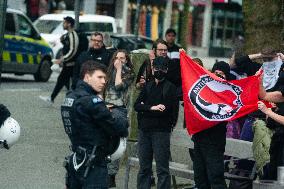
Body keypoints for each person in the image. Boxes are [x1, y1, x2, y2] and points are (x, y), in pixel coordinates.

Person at [61, 60, 128, 189]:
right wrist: (121, 118)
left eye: (105, 78)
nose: (104, 81)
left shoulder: (70, 97)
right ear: (87, 76)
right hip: (93, 165)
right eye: (100, 77)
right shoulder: (92, 101)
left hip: (76, 160)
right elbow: (118, 128)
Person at [134, 56, 178, 189]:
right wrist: (152, 107)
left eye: (162, 68)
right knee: (144, 168)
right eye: (157, 68)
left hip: (161, 132)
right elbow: (137, 106)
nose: (159, 71)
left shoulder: (170, 88)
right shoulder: (148, 85)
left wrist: (145, 107)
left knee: (162, 169)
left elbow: (166, 110)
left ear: (166, 70)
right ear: (152, 69)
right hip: (144, 131)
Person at [192, 61, 232, 189]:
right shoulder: (203, 89)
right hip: (199, 138)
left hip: (215, 142)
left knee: (215, 178)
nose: (218, 76)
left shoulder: (228, 93)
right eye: (216, 73)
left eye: (222, 74)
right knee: (200, 177)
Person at [104, 50, 135, 187]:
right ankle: (102, 172)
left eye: (122, 58)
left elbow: (118, 86)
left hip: (119, 110)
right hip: (105, 108)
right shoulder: (108, 71)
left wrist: (119, 69)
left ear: (127, 60)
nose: (119, 60)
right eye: (117, 58)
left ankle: (111, 174)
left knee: (116, 144)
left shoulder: (129, 73)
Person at [40, 16, 79, 103]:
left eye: (64, 23)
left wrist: (62, 59)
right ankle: (55, 98)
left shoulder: (73, 35)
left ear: (69, 24)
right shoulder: (68, 35)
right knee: (63, 81)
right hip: (67, 64)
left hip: (71, 64)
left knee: (67, 82)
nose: (63, 24)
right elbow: (67, 47)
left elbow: (73, 50)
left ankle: (72, 99)